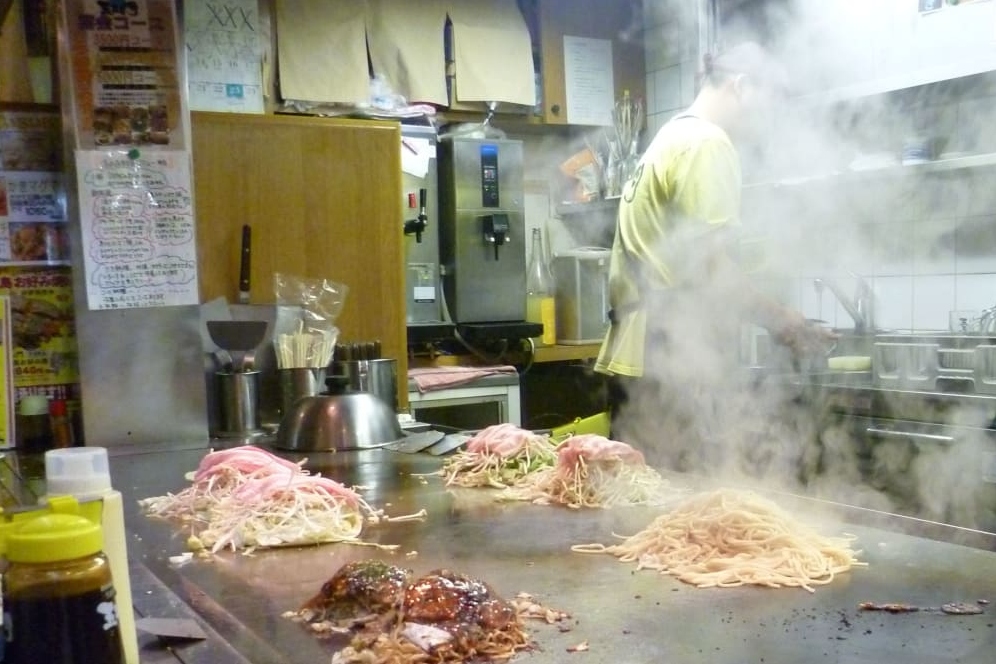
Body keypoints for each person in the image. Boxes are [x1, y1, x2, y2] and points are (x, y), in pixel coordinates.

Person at [594, 42, 833, 475]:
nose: (764, 123)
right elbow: (711, 270)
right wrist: (782, 320)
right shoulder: (707, 144)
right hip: (672, 357)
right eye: (766, 106)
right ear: (740, 86)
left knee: (642, 497)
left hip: (643, 352)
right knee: (684, 503)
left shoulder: (672, 136)